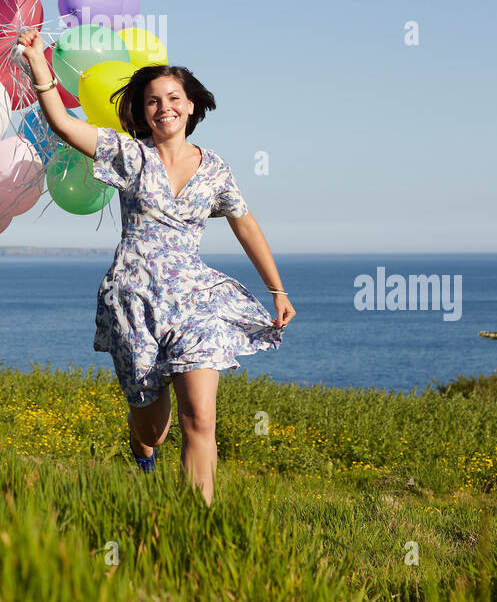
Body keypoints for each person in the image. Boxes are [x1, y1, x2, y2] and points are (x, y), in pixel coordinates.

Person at [16, 26, 296, 506]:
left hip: (194, 298)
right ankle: (143, 451)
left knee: (199, 419)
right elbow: (63, 124)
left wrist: (277, 289)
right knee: (155, 428)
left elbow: (245, 226)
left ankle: (196, 526)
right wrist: (40, 68)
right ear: (142, 111)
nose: (164, 106)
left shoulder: (216, 168)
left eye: (173, 97)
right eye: (152, 100)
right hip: (134, 298)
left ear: (190, 106)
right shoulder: (129, 155)